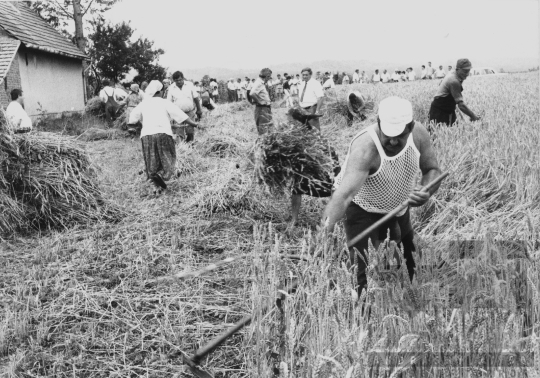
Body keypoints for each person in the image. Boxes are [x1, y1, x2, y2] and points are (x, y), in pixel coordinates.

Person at [321, 96, 442, 296]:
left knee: (411, 255)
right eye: (388, 134)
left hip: (400, 206)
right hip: (362, 207)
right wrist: (325, 234)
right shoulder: (365, 148)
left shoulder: (419, 135)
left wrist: (426, 190)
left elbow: (433, 170)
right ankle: (361, 313)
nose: (393, 141)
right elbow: (343, 196)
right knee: (360, 263)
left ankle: (414, 298)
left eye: (399, 135)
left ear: (410, 127)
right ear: (378, 123)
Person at [127, 80, 199, 195]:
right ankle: (161, 175)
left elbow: (133, 117)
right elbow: (181, 115)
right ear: (160, 91)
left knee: (151, 160)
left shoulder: (144, 103)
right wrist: (194, 124)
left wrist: (133, 126)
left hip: (147, 135)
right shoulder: (164, 102)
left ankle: (156, 186)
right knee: (168, 158)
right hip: (163, 134)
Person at [428, 58, 481, 129]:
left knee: (453, 133)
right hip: (440, 112)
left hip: (448, 110)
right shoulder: (454, 81)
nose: (467, 74)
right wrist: (473, 116)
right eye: (465, 71)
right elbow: (461, 105)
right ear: (458, 69)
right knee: (438, 135)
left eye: (468, 71)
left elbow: (441, 83)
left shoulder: (452, 73)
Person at [167, 71, 203, 143]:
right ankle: (181, 147)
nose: (179, 82)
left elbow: (196, 98)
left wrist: (199, 109)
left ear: (183, 78)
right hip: (177, 114)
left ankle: (190, 144)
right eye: (177, 80)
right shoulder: (171, 88)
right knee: (179, 132)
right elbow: (169, 102)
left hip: (189, 112)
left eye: (180, 80)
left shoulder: (190, 85)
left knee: (190, 130)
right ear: (174, 80)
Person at [249, 68, 273, 135]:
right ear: (267, 76)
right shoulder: (259, 83)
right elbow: (252, 93)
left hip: (265, 108)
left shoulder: (262, 82)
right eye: (269, 77)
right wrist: (259, 101)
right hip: (262, 108)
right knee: (263, 129)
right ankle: (263, 144)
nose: (269, 78)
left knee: (269, 127)